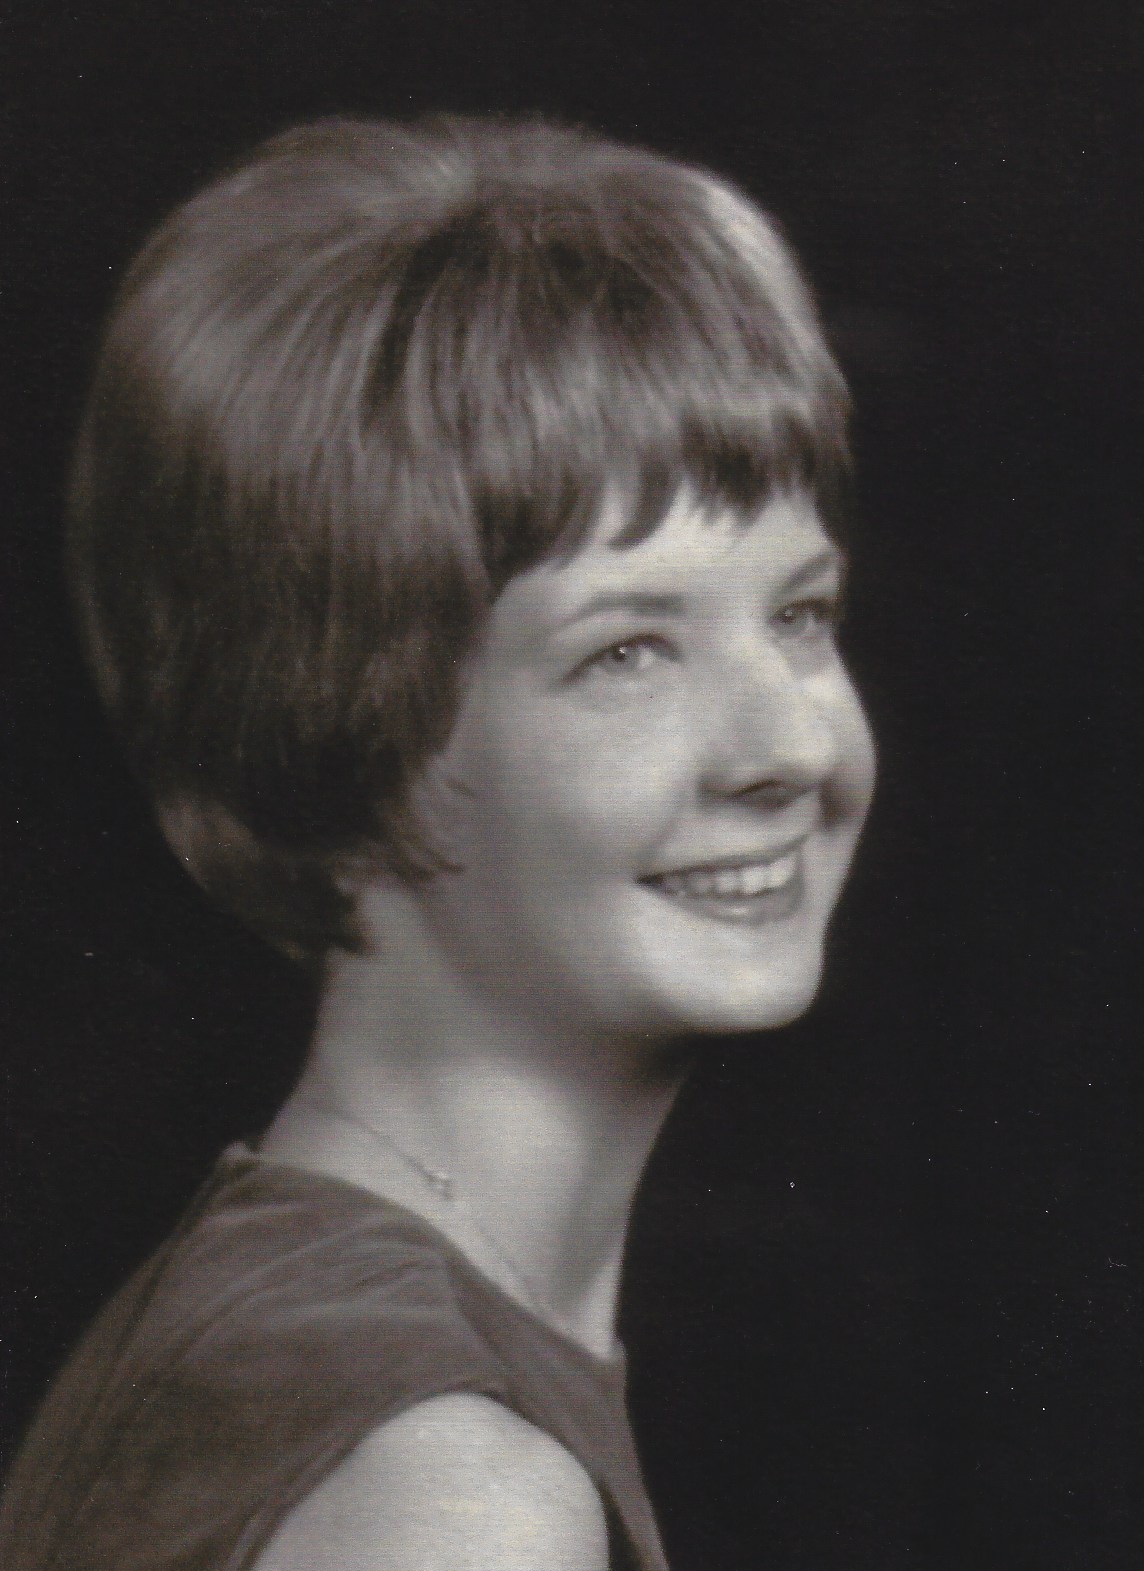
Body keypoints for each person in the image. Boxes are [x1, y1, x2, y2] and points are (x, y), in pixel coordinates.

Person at [0, 114, 876, 1570]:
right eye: (626, 653)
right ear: (342, 733)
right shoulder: (450, 1491)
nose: (791, 746)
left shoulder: (306, 1326)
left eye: (799, 615)